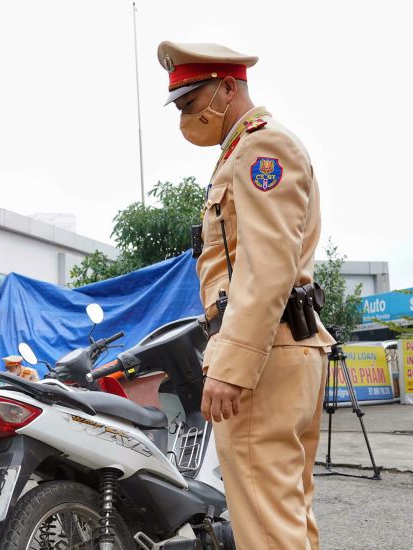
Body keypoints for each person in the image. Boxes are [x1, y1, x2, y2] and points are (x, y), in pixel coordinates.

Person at [157, 41, 335, 549]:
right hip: (283, 348)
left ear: (227, 87)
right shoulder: (243, 149)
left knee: (265, 525)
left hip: (264, 358)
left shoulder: (261, 147)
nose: (185, 119)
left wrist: (231, 365)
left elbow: (266, 267)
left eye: (191, 103)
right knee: (284, 515)